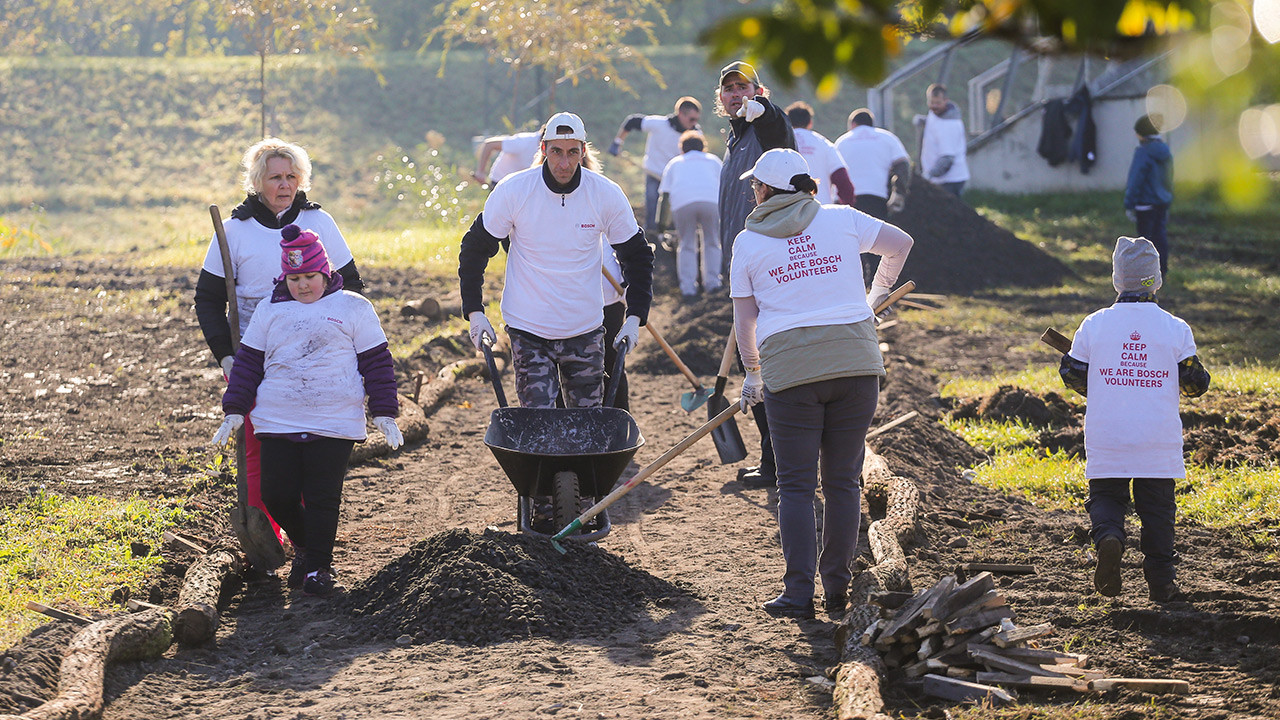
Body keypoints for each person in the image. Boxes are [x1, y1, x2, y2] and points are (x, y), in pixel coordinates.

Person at [731, 149, 914, 618]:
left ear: (769, 190)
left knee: (794, 487)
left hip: (791, 373)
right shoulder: (842, 218)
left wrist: (753, 373)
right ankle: (836, 589)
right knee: (843, 482)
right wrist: (876, 299)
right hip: (856, 365)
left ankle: (797, 594)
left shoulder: (747, 243)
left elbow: (745, 319)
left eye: (756, 186)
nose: (753, 192)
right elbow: (901, 243)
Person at [194, 137, 365, 555]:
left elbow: (352, 288)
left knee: (310, 445)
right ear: (257, 182)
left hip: (314, 354)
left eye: (291, 176)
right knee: (258, 448)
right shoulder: (233, 232)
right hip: (254, 356)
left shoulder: (319, 224)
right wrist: (227, 357)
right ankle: (266, 535)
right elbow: (208, 300)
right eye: (275, 177)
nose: (284, 184)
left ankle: (307, 539)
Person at [212, 225, 402, 598]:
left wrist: (384, 412)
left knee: (321, 497)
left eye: (309, 277)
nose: (302, 285)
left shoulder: (353, 307)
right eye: (295, 278)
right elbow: (249, 363)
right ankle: (305, 547)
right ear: (285, 277)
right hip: (278, 421)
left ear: (325, 272)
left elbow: (377, 363)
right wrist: (234, 409)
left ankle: (318, 568)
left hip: (334, 421)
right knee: (276, 494)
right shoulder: (270, 310)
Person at [459, 111, 655, 409]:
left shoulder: (605, 194)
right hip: (528, 329)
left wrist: (635, 315)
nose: (564, 163)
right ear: (543, 150)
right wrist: (474, 311)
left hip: (585, 328)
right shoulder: (514, 190)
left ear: (583, 151)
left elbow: (637, 256)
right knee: (540, 425)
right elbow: (475, 248)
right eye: (556, 152)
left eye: (572, 152)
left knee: (587, 424)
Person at [1058, 236, 1208, 604]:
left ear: (1116, 280)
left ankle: (1110, 536)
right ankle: (1162, 584)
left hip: (1109, 433)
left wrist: (1106, 387)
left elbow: (1072, 373)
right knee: (1157, 510)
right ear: (1156, 281)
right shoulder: (1175, 328)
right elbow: (1193, 384)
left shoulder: (1094, 325)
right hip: (1156, 437)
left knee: (1107, 495)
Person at [715, 60, 796, 489]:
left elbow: (777, 126)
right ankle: (775, 458)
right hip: (744, 262)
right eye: (728, 89)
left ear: (757, 90)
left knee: (767, 364)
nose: (735, 95)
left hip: (770, 262)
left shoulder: (764, 130)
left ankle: (777, 462)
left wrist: (762, 108)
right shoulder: (734, 140)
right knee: (761, 365)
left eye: (742, 87)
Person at [606, 97, 702, 237]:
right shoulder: (659, 124)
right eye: (692, 119)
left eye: (696, 120)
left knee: (675, 206)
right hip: (653, 171)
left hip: (676, 177)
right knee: (652, 200)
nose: (694, 123)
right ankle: (651, 234)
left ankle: (673, 233)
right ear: (681, 113)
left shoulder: (695, 134)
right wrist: (617, 142)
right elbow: (632, 121)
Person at [658, 130, 722, 296]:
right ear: (703, 147)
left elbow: (664, 197)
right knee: (712, 242)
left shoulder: (675, 163)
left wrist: (661, 226)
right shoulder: (713, 160)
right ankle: (712, 283)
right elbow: (725, 187)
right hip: (711, 201)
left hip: (683, 203)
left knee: (686, 244)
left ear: (682, 149)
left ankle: (688, 288)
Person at [834, 108, 911, 221]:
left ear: (852, 124)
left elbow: (834, 172)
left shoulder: (842, 141)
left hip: (847, 202)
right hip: (877, 198)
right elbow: (903, 165)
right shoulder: (888, 138)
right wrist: (899, 193)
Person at [1124, 115, 1174, 274]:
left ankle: (1147, 275)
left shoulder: (1143, 152)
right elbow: (1169, 177)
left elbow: (1135, 179)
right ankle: (1162, 272)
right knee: (1160, 238)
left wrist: (1129, 204)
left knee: (1145, 242)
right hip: (1162, 203)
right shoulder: (1165, 151)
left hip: (1144, 205)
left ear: (1142, 133)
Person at [784, 101, 855, 206]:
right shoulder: (824, 144)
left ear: (787, 122)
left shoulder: (780, 143)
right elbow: (843, 181)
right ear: (810, 123)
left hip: (787, 212)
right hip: (820, 210)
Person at [918, 84, 969, 196]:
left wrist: (929, 175)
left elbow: (947, 159)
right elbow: (935, 126)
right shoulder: (936, 114)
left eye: (938, 103)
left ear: (946, 101)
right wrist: (923, 121)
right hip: (939, 180)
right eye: (931, 102)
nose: (934, 106)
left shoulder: (949, 125)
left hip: (949, 181)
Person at [473, 127, 543, 187]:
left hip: (521, 187)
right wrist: (481, 172)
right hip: (500, 183)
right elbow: (489, 145)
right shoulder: (523, 142)